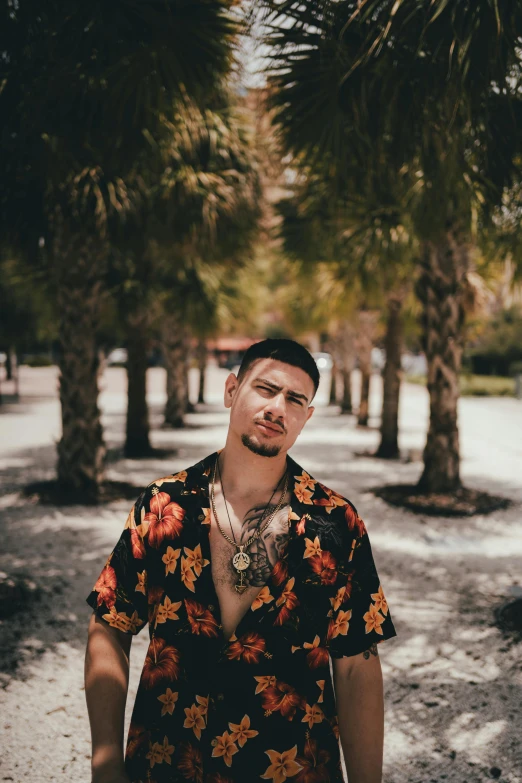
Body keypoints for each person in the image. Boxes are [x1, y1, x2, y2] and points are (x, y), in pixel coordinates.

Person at [85, 338, 397, 783]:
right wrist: (105, 762)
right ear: (232, 391)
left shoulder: (336, 524)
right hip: (166, 762)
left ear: (305, 418)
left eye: (295, 399)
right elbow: (109, 624)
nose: (277, 408)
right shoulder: (164, 505)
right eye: (265, 389)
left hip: (292, 770)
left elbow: (356, 666)